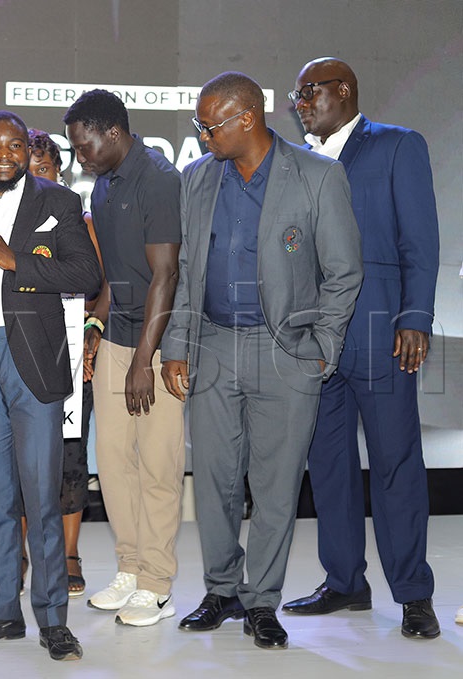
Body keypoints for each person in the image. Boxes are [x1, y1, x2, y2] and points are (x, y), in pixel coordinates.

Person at [160, 71, 363, 650]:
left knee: (275, 486)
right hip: (214, 346)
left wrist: (322, 346)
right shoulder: (198, 178)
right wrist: (178, 346)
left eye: (210, 125)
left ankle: (262, 601)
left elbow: (345, 272)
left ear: (247, 118)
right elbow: (187, 274)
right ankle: (222, 590)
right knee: (215, 483)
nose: (202, 136)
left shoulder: (319, 176)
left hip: (287, 351)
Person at [281, 57, 441, 640]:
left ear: (341, 91)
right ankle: (345, 581)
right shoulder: (298, 160)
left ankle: (413, 593)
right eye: (296, 95)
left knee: (395, 462)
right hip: (313, 340)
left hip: (381, 331)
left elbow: (420, 240)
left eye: (307, 92)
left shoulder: (398, 146)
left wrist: (415, 316)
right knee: (328, 466)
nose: (299, 103)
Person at [0, 111, 101, 661]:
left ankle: (53, 618)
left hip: (34, 360)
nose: (3, 154)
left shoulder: (57, 202)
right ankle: (3, 611)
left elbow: (85, 276)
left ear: (28, 154)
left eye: (13, 146)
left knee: (41, 497)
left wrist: (14, 259)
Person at [63, 89, 185, 627]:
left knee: (158, 465)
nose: (77, 158)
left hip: (155, 347)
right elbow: (114, 275)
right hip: (114, 340)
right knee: (113, 464)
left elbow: (167, 275)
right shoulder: (102, 188)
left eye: (82, 145)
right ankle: (130, 569)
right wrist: (94, 326)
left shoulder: (159, 179)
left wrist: (144, 361)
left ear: (112, 133)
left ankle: (157, 584)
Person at [20, 128, 101, 597]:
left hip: (70, 354)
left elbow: (99, 284)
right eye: (30, 171)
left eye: (45, 169)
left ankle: (69, 553)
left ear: (60, 174)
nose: (37, 178)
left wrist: (91, 332)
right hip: (18, 350)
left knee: (70, 456)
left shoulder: (77, 220)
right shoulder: (0, 224)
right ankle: (28, 548)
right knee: (23, 457)